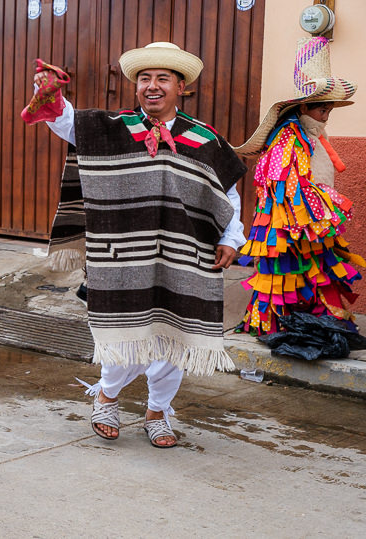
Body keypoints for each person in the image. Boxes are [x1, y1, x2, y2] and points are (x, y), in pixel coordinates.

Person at [34, 42, 248, 448]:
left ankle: (157, 411)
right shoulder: (113, 129)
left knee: (175, 335)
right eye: (144, 78)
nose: (152, 86)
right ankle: (107, 395)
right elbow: (67, 122)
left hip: (184, 254)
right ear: (135, 86)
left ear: (181, 87)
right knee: (125, 332)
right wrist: (49, 95)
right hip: (124, 255)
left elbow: (229, 194)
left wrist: (230, 238)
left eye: (162, 78)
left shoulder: (204, 139)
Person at [234, 36, 362, 334]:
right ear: (304, 107)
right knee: (289, 275)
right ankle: (282, 320)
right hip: (292, 227)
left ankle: (311, 317)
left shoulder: (313, 134)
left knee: (314, 273)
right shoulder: (289, 137)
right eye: (321, 111)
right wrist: (322, 210)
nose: (325, 117)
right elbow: (289, 187)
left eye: (329, 111)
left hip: (313, 226)